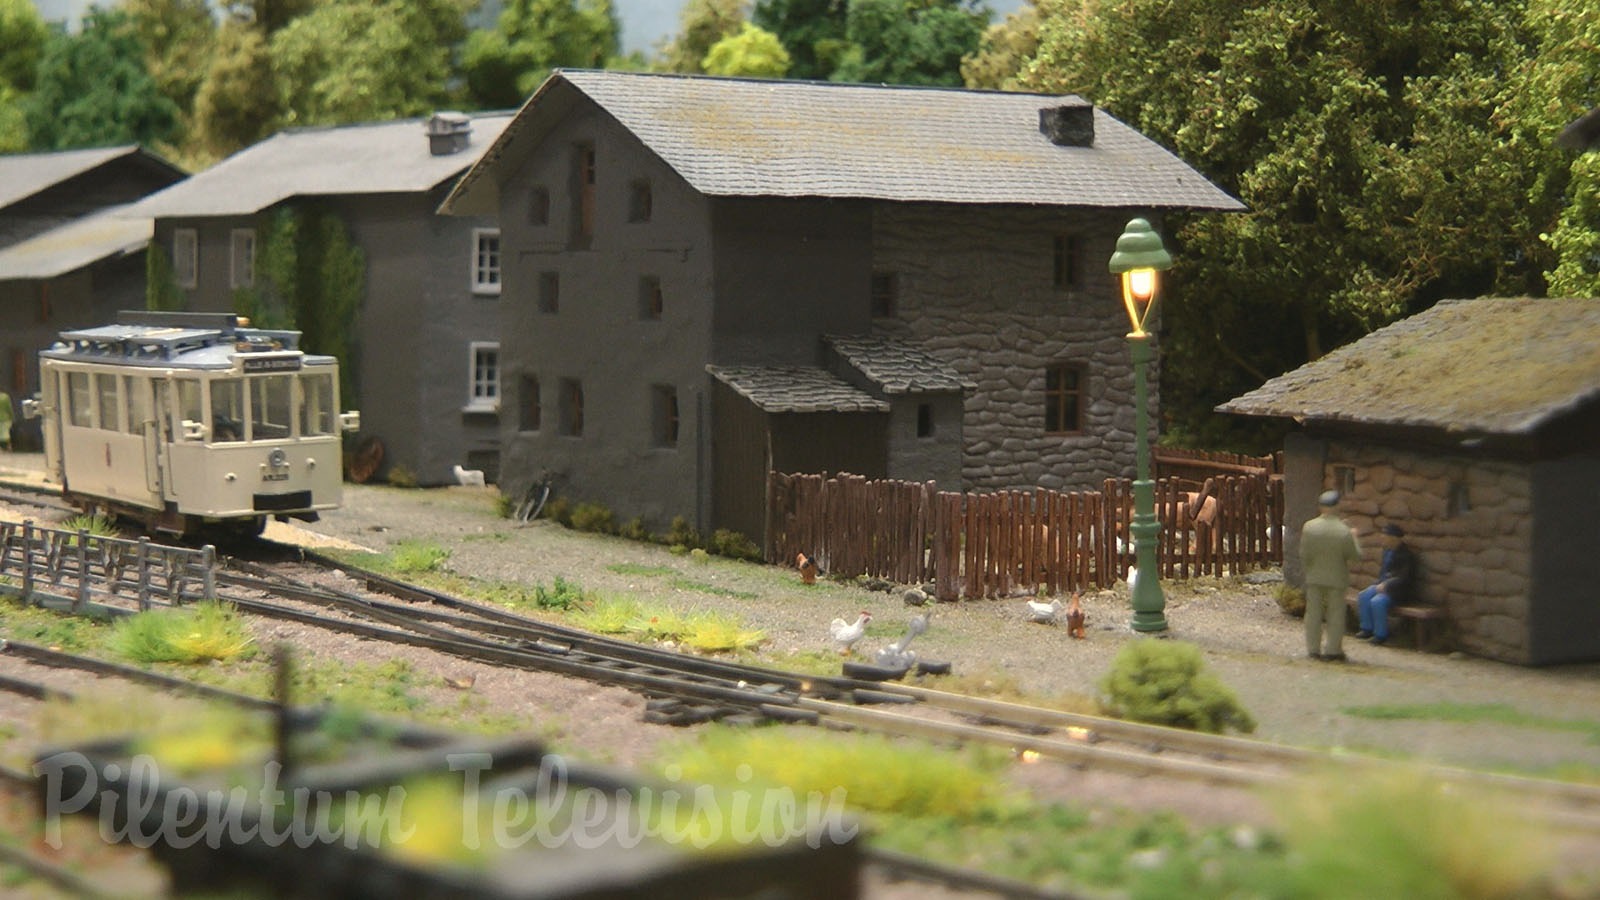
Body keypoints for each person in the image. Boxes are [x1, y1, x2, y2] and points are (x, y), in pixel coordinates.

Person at [1299, 490, 1361, 661]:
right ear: (1337, 506)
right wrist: (1355, 537)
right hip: (1336, 579)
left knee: (1313, 615)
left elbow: (1304, 554)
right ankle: (1333, 650)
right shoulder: (1343, 530)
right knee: (1336, 615)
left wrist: (1309, 571)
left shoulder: (1309, 527)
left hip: (1314, 577)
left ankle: (1313, 649)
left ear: (1321, 507)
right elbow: (1355, 556)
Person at [1355, 524, 1417, 645]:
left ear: (1394, 538)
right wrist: (1380, 583)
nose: (1382, 538)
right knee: (1364, 595)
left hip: (1397, 591)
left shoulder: (1406, 556)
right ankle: (1366, 628)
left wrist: (1387, 585)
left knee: (1377, 602)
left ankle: (1380, 634)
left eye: (1385, 535)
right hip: (1382, 585)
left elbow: (1404, 578)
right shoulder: (1387, 551)